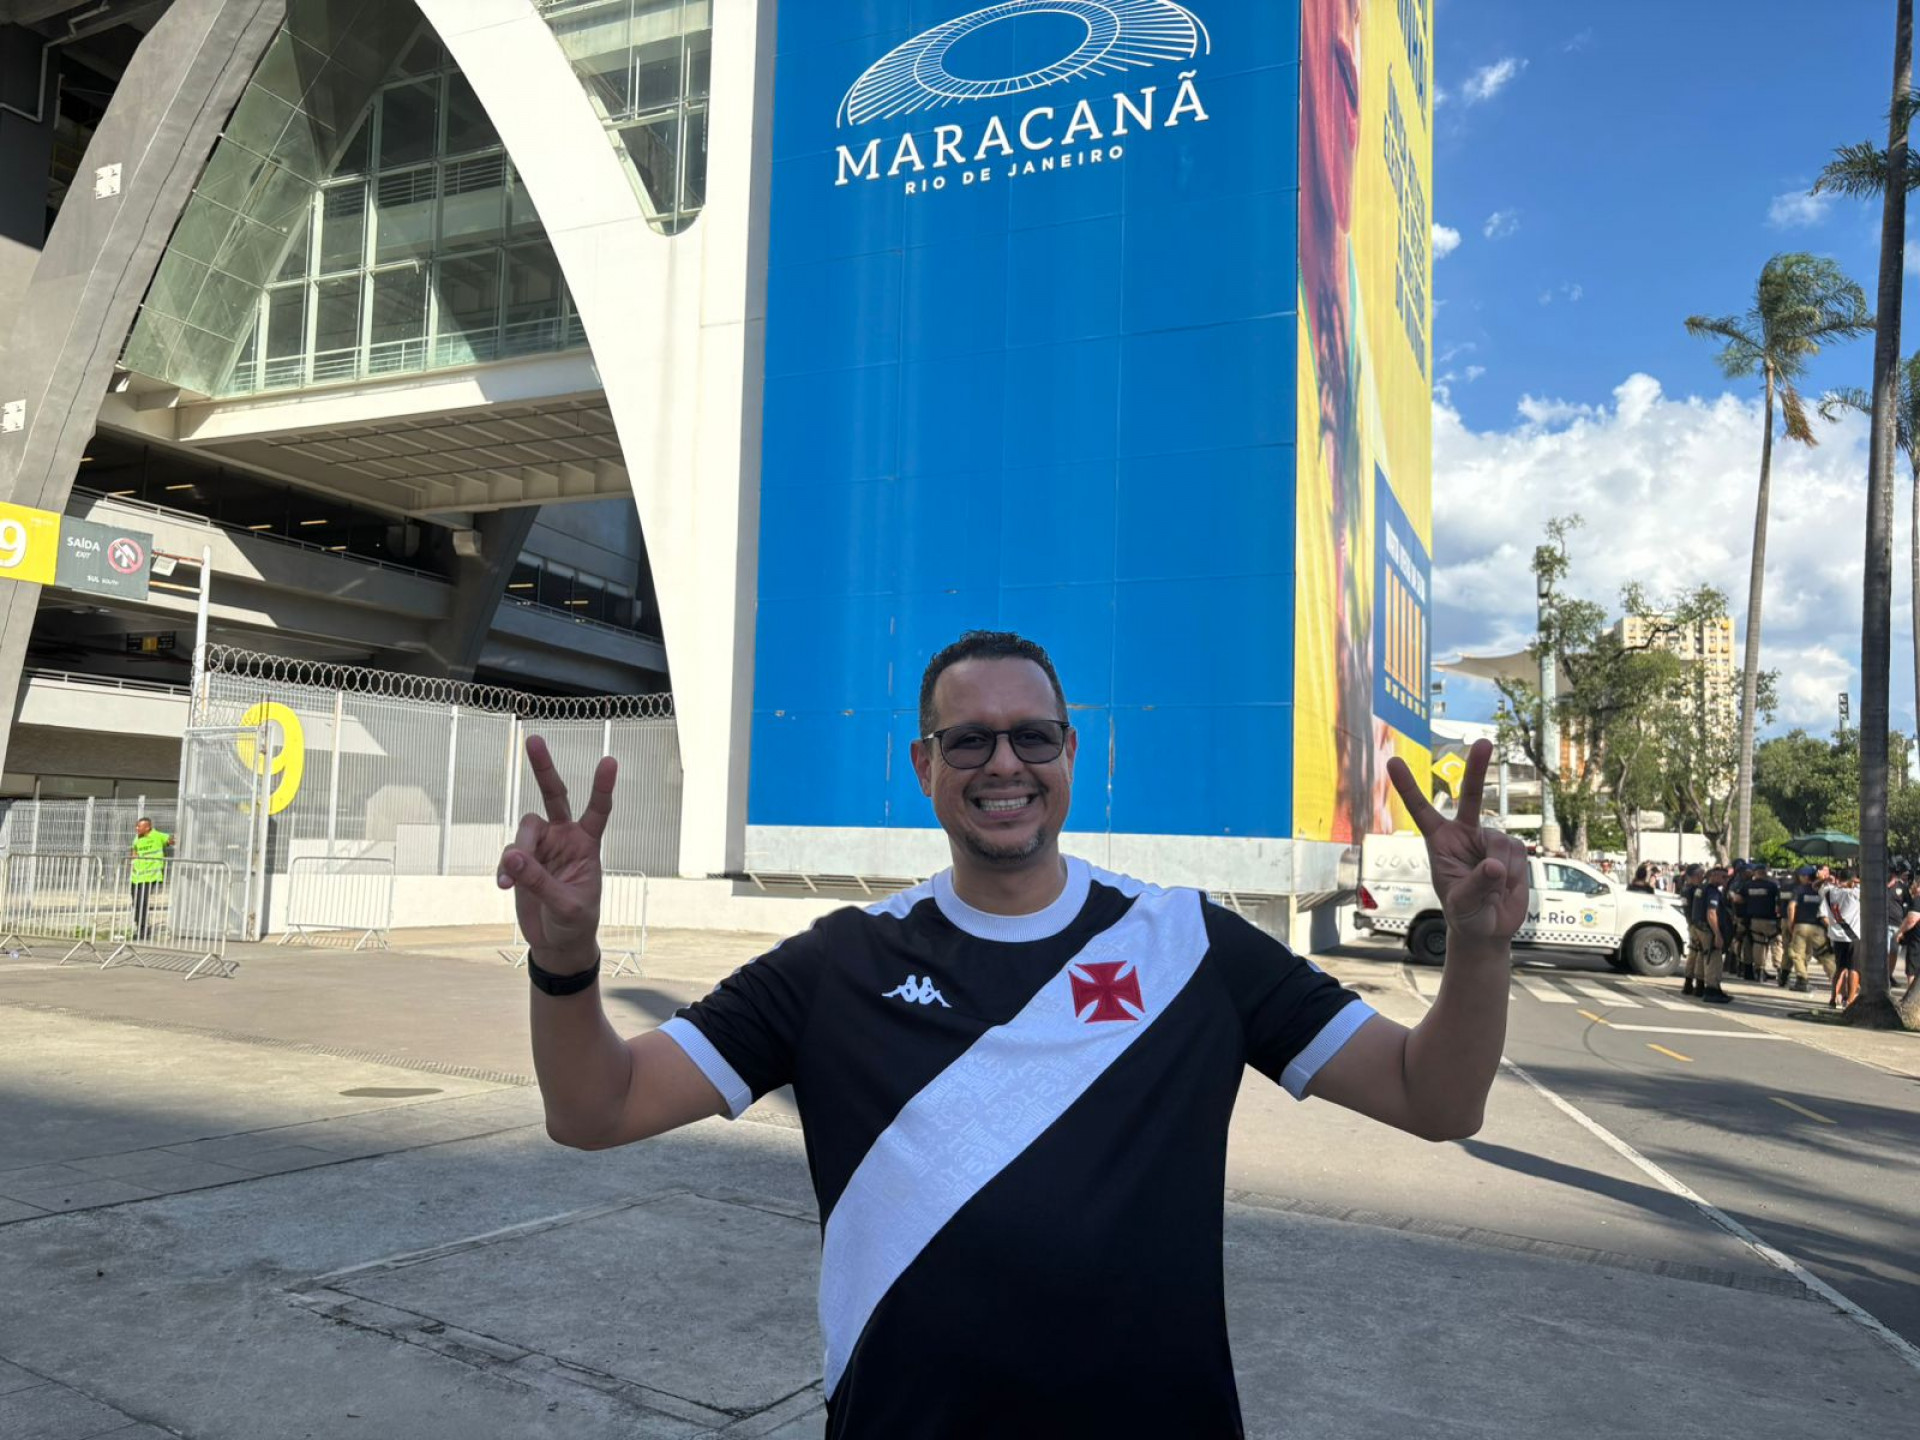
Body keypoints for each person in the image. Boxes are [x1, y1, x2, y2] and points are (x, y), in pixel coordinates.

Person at [500, 631, 1526, 1438]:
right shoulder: (837, 964)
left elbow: (1433, 1099)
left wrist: (1479, 949)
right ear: (924, 764)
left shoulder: (1191, 945)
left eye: (1033, 735)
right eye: (969, 740)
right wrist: (565, 960)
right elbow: (598, 1110)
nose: (1005, 763)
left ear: (1070, 751)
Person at [1682, 863, 1732, 1003]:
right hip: (1707, 929)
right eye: (1723, 877)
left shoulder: (1700, 889)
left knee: (1701, 956)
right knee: (1713, 958)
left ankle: (1699, 986)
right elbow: (1711, 913)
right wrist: (1718, 934)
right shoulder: (1711, 891)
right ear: (1714, 876)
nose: (1725, 880)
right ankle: (1712, 989)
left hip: (1697, 926)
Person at [1782, 865, 1831, 992]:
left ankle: (1802, 980)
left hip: (1801, 926)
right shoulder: (1823, 890)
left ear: (1805, 876)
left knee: (1797, 954)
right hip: (1819, 927)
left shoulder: (1799, 889)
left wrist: (1791, 924)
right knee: (1825, 955)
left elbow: (1791, 907)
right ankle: (1837, 978)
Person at [1738, 862, 1785, 987]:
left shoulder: (1748, 886)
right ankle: (1780, 969)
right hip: (1770, 919)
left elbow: (1738, 899)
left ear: (1755, 873)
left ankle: (1759, 971)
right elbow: (1779, 901)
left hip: (1754, 920)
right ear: (1765, 873)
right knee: (1776, 943)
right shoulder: (1772, 885)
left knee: (1758, 944)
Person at [127, 816, 172, 943]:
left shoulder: (158, 835)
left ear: (148, 827)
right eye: (136, 826)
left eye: (139, 826)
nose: (136, 828)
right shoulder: (137, 838)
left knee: (143, 903)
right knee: (136, 903)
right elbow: (134, 852)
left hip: (150, 876)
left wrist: (171, 842)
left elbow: (171, 840)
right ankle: (139, 928)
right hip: (137, 877)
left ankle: (143, 930)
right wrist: (133, 863)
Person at [1822, 867, 1862, 1009]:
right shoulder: (1855, 894)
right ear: (1852, 881)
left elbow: (1817, 886)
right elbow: (1868, 886)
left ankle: (1833, 998)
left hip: (1837, 936)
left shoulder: (1828, 892)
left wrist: (1827, 880)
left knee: (1839, 968)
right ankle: (1850, 1000)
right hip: (1853, 936)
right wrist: (1856, 881)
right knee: (1854, 968)